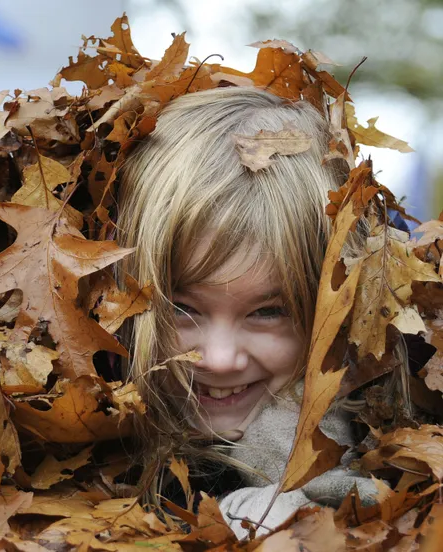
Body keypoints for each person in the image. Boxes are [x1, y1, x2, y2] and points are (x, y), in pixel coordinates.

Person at [116, 87, 397, 538]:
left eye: (268, 312)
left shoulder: (403, 434)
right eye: (181, 307)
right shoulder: (58, 428)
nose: (220, 359)